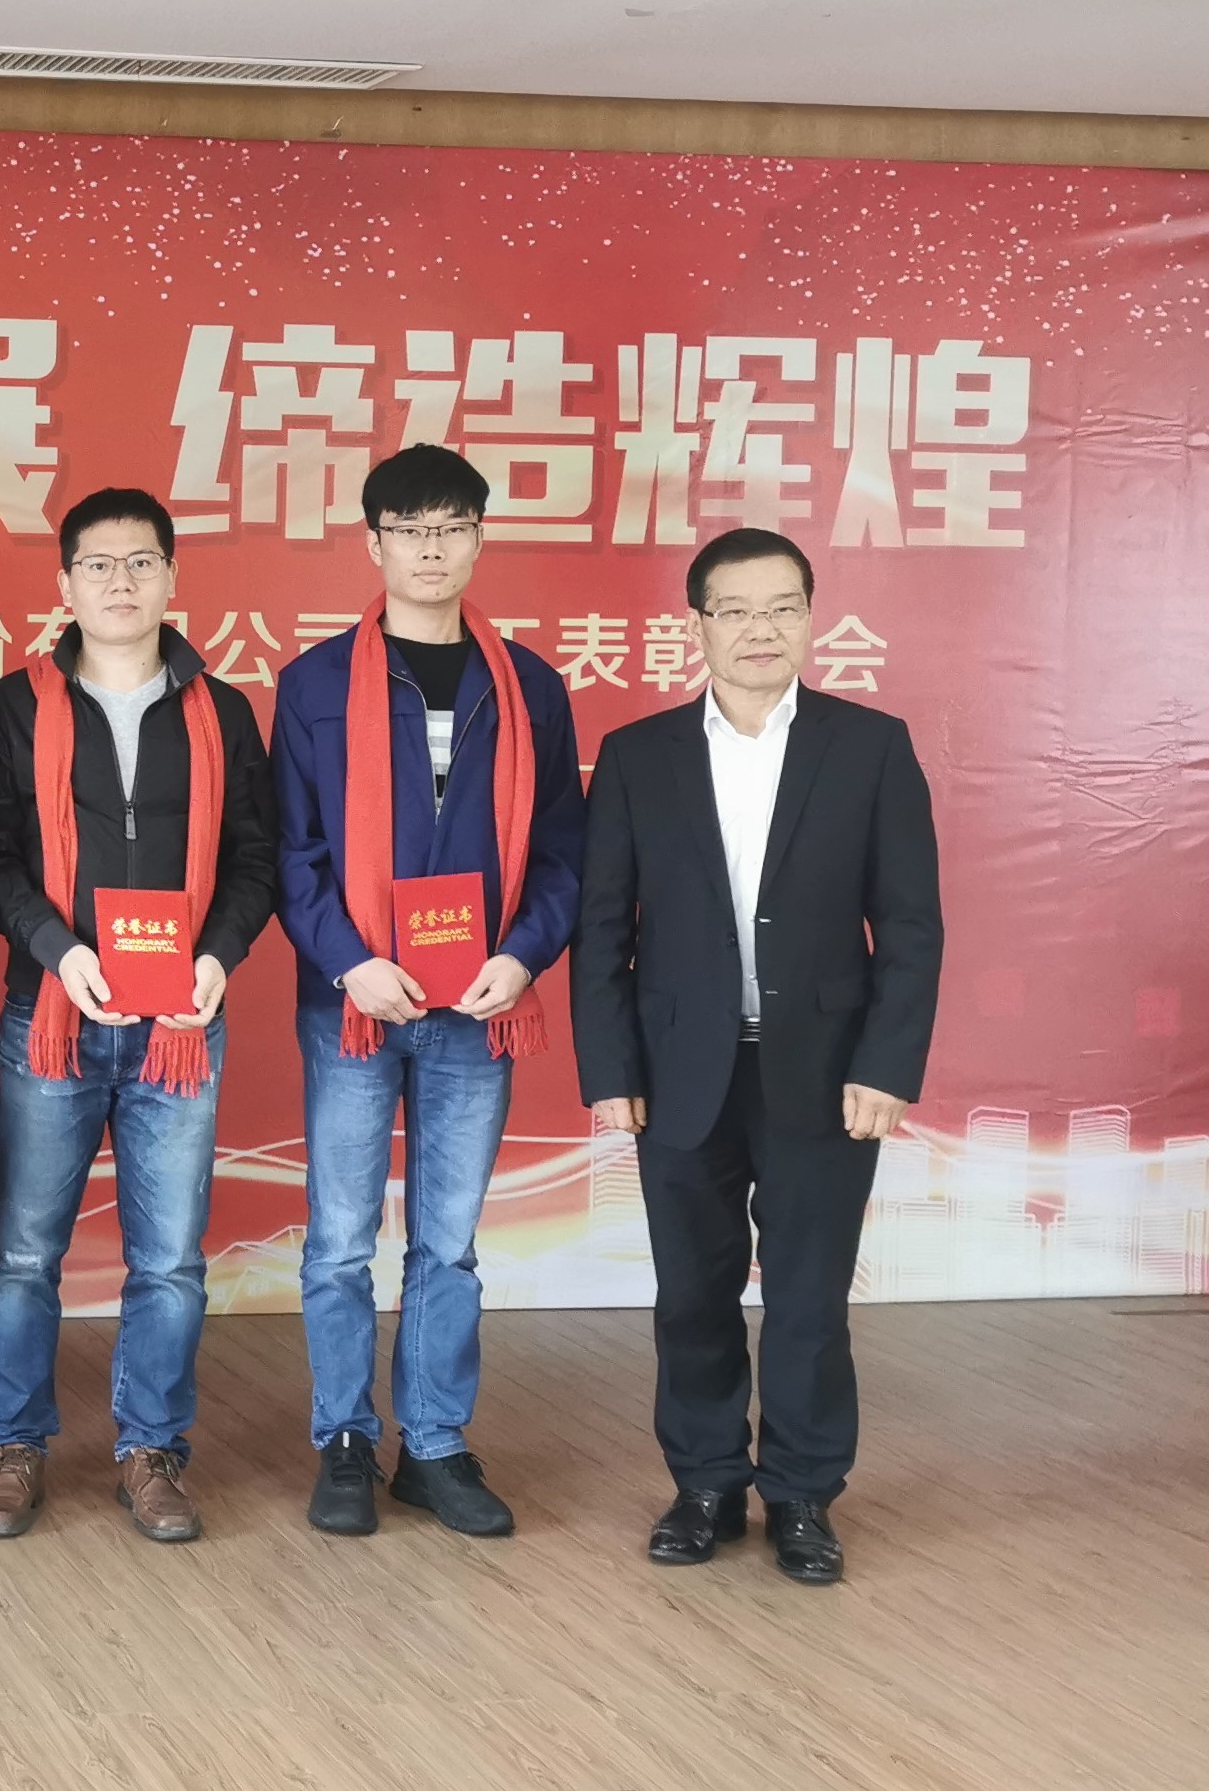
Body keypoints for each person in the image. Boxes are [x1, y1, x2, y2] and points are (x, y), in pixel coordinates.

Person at [572, 527, 942, 1585]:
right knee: (691, 1292)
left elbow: (909, 925)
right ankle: (704, 1484)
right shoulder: (639, 754)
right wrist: (612, 1070)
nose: (759, 629)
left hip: (825, 1071)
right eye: (734, 610)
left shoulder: (869, 746)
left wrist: (888, 1064)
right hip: (679, 1068)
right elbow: (602, 928)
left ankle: (802, 1494)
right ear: (697, 625)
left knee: (810, 1299)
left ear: (811, 618)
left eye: (781, 607)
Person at [270, 443, 587, 1540]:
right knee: (340, 1239)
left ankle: (437, 1445)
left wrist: (526, 954)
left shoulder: (530, 686)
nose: (431, 548)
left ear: (480, 538)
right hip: (355, 1006)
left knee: (447, 1244)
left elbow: (563, 851)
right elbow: (294, 853)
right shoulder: (314, 685)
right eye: (409, 530)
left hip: (477, 1010)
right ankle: (345, 1441)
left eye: (451, 527)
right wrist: (349, 961)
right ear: (374, 544)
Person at [0, 488, 277, 1544]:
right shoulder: (14, 706)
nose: (120, 582)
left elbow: (256, 859)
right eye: (97, 564)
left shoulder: (223, 712)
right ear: (64, 583)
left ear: (172, 577)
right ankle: (14, 1443)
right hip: (50, 1016)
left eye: (141, 562)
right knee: (23, 1251)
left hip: (179, 1027)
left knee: (171, 1257)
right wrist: (62, 951)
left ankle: (152, 1449)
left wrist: (217, 958)